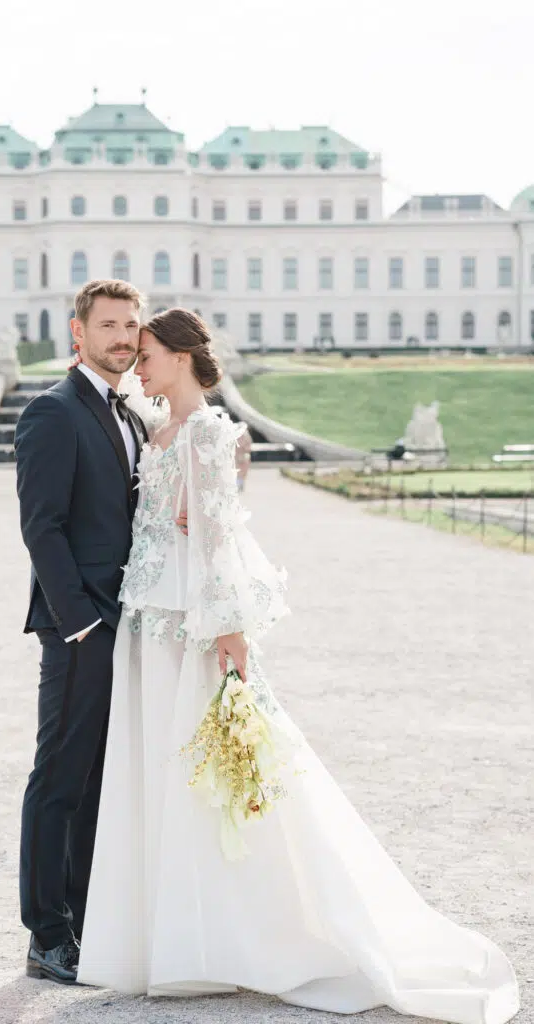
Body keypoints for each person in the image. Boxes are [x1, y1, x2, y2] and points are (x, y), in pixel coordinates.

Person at [76, 308, 519, 1024]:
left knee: (212, 778)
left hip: (192, 627)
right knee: (159, 772)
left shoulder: (212, 433)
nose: (138, 362)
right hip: (148, 623)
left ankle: (238, 937)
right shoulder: (156, 432)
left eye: (149, 351)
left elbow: (217, 540)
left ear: (184, 357)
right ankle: (171, 939)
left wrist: (231, 632)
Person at [14, 279, 149, 984]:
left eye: (131, 324)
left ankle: (86, 919)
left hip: (126, 620)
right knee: (60, 779)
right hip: (81, 626)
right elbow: (42, 525)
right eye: (109, 325)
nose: (123, 336)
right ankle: (46, 935)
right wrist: (81, 625)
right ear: (78, 332)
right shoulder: (53, 411)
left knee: (99, 781)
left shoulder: (129, 414)